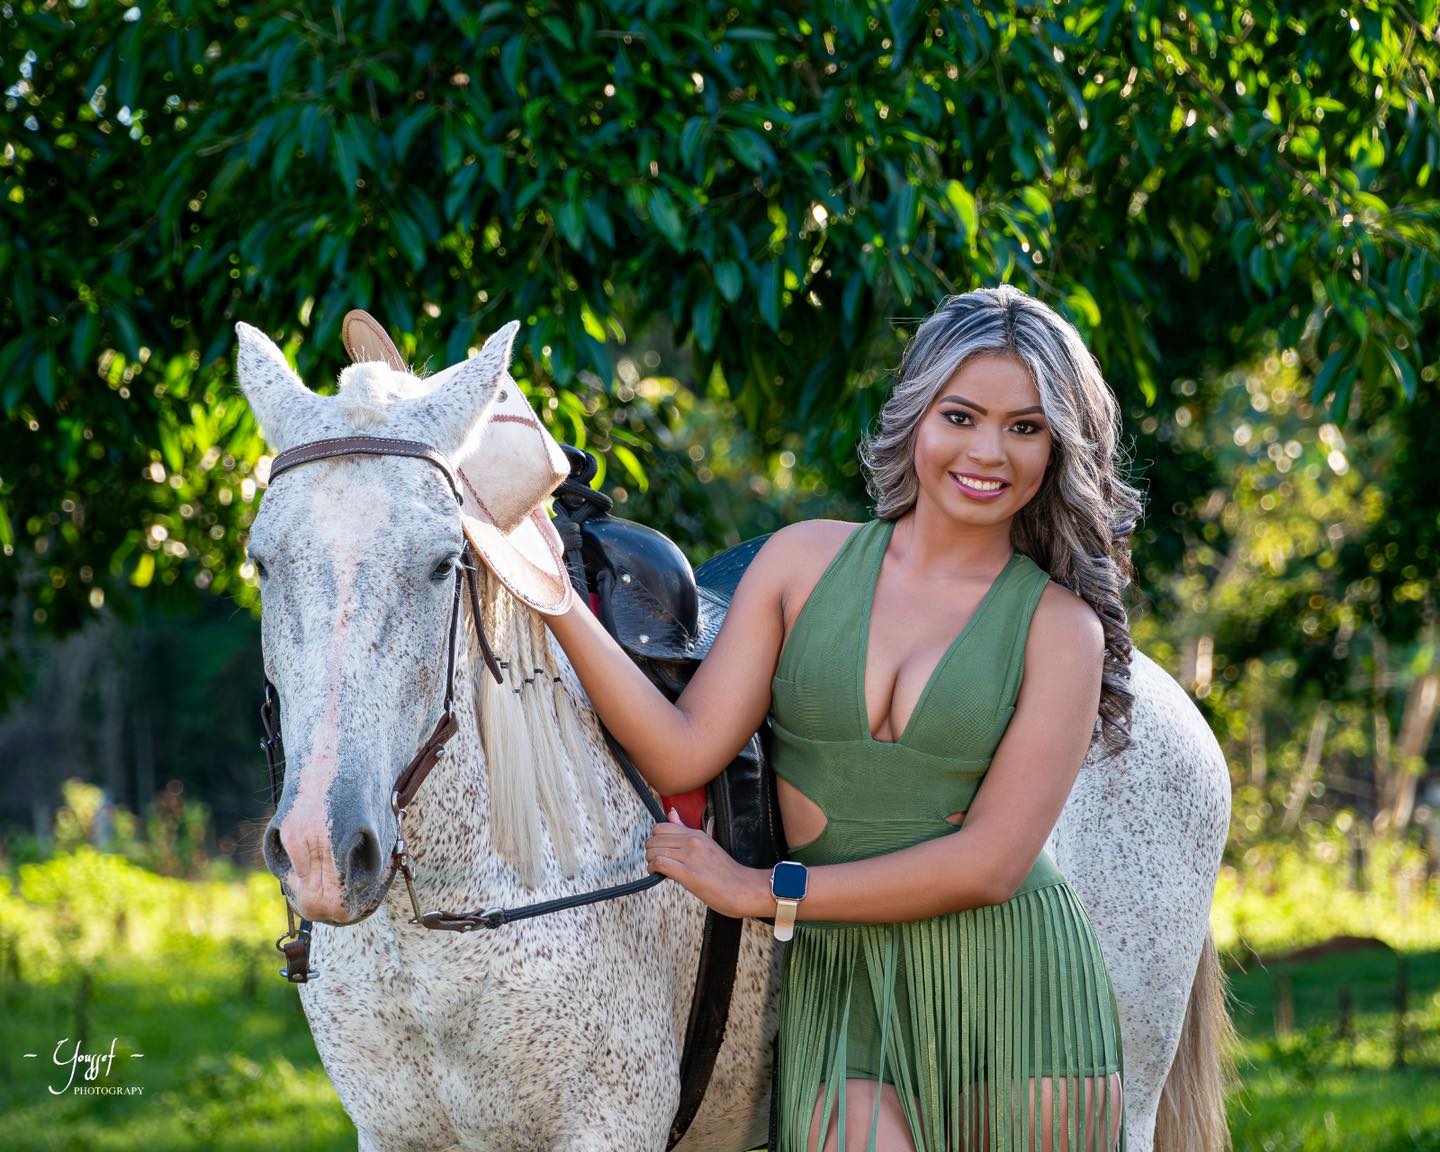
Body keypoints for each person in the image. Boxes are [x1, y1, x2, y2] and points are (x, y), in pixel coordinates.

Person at [541, 283, 1140, 1151]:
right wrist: (554, 594)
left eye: (1026, 427)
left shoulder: (1061, 629)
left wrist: (761, 890)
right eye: (962, 415)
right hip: (843, 975)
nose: (988, 452)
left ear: (1059, 449)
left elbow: (989, 866)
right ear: (915, 418)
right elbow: (682, 753)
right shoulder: (799, 564)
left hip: (1015, 988)